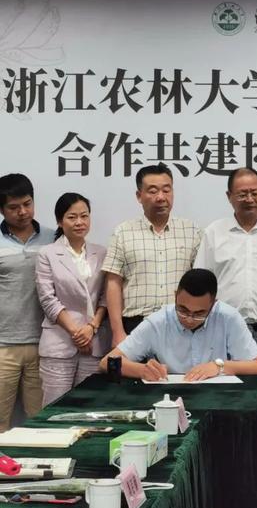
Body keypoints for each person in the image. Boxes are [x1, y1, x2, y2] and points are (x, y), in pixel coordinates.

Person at [195, 168, 257, 374]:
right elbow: (202, 285)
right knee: (223, 387)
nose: (250, 199)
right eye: (242, 194)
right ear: (229, 196)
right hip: (223, 330)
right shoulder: (214, 232)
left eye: (254, 193)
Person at [99, 269, 257, 381]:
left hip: (217, 397)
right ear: (175, 296)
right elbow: (106, 363)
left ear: (213, 304)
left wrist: (219, 366)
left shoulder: (228, 317)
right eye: (183, 310)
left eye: (199, 313)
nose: (189, 319)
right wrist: (142, 370)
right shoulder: (158, 321)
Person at [102, 165, 201, 348]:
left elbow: (200, 283)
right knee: (134, 369)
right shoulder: (123, 232)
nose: (161, 197)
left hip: (180, 325)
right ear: (139, 196)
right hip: (135, 325)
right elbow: (113, 283)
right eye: (153, 191)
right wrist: (117, 332)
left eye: (166, 190)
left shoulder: (192, 231)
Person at [35, 193, 109, 406]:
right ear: (60, 221)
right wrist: (77, 333)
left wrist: (91, 328)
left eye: (84, 216)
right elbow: (48, 299)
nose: (79, 222)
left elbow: (106, 297)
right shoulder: (47, 254)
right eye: (72, 217)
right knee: (55, 408)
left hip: (94, 343)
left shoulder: (101, 252)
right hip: (59, 343)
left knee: (88, 408)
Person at [0, 173, 54, 431]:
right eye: (14, 207)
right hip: (3, 346)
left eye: (27, 204)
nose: (22, 212)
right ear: (2, 209)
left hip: (44, 344)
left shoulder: (53, 238)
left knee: (39, 422)